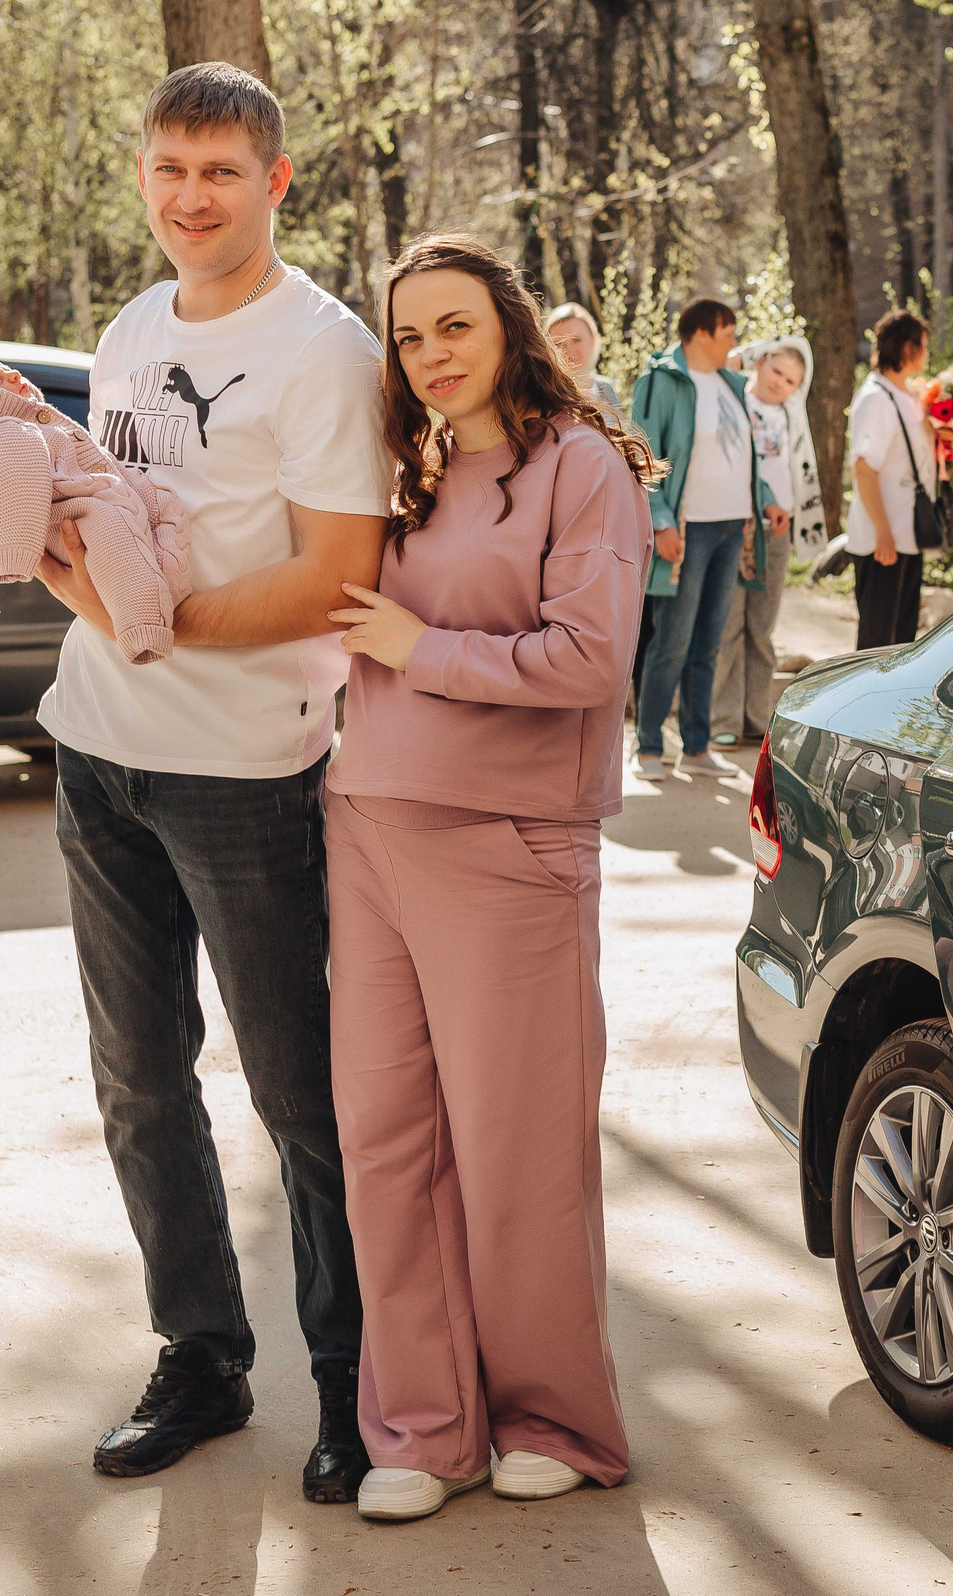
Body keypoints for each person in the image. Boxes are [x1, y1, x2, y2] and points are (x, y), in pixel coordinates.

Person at [0, 62, 389, 1501]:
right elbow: (99, 512)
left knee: (301, 1095)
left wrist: (160, 623)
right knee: (137, 1082)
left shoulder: (323, 350)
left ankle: (360, 1379)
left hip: (246, 769)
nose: (192, 197)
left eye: (221, 172)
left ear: (277, 182)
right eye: (170, 168)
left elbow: (337, 576)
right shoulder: (132, 328)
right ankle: (202, 1353)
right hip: (98, 750)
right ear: (142, 174)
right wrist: (10, 499)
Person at [320, 234, 654, 1520]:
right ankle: (424, 1427)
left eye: (453, 325)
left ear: (509, 326)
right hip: (369, 828)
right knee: (386, 1143)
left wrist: (422, 647)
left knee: (518, 1152)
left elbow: (588, 659)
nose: (430, 355)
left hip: (509, 843)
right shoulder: (403, 469)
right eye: (408, 336)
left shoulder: (580, 467)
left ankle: (553, 1417)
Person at [628, 299, 786, 780]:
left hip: (732, 527)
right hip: (688, 528)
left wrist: (766, 500)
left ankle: (696, 749)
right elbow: (641, 455)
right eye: (728, 333)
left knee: (709, 643)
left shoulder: (731, 383)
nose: (734, 342)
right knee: (672, 641)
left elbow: (743, 457)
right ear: (701, 333)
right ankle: (649, 746)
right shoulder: (659, 381)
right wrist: (661, 522)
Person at [710, 336, 821, 745]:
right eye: (776, 371)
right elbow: (725, 362)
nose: (780, 384)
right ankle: (723, 722)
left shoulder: (792, 412)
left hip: (777, 530)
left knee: (761, 627)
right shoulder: (735, 399)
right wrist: (757, 352)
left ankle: (756, 720)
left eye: (791, 380)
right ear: (760, 363)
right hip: (736, 525)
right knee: (729, 624)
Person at [844, 308, 933, 649]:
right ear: (908, 349)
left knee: (902, 644)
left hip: (907, 536)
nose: (928, 353)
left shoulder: (905, 395)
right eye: (924, 345)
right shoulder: (875, 399)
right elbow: (864, 468)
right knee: (876, 645)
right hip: (883, 542)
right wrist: (883, 533)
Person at [545, 303, 622, 419]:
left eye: (576, 340)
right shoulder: (547, 399)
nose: (569, 350)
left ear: (593, 340)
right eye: (559, 343)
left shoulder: (607, 390)